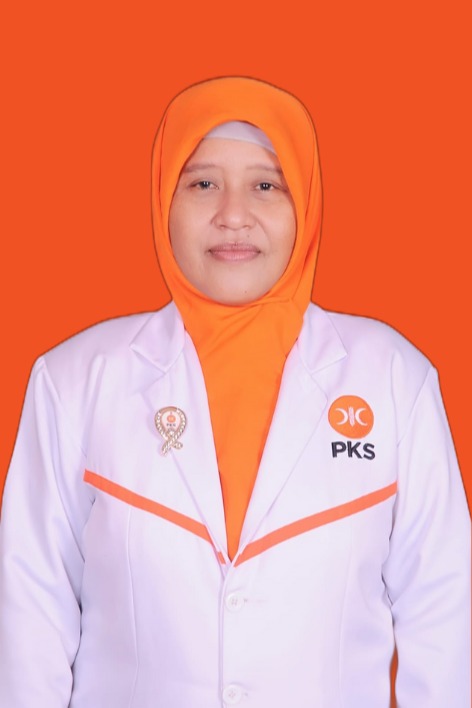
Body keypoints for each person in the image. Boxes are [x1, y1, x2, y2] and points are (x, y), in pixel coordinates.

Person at [0, 76, 469, 707]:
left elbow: (443, 606)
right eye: (202, 184)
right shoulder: (73, 381)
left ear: (306, 203)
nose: (233, 215)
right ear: (163, 200)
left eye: (266, 185)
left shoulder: (393, 378)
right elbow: (30, 608)